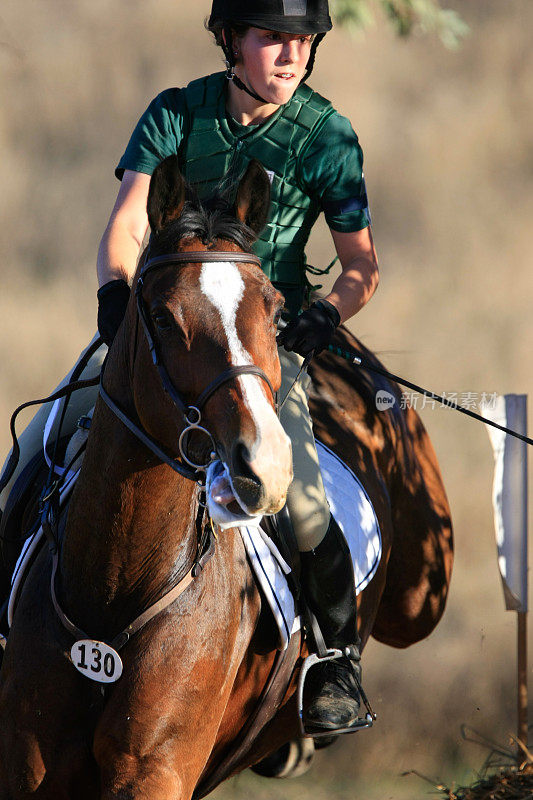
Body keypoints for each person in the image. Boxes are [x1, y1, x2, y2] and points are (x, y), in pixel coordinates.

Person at [1, 0, 379, 733]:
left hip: (260, 343)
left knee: (298, 502)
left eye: (303, 41)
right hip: (161, 330)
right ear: (231, 39)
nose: (291, 54)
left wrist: (326, 314)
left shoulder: (328, 135)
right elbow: (129, 221)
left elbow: (362, 265)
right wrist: (117, 298)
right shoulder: (174, 114)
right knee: (34, 446)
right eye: (273, 37)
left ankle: (335, 661)